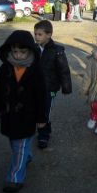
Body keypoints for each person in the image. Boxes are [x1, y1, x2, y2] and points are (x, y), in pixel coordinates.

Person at [0, 30, 48, 193]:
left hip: (27, 117)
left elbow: (42, 96)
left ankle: (14, 178)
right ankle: (26, 156)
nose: (18, 55)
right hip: (9, 117)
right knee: (15, 144)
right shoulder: (5, 68)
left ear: (29, 51)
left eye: (22, 52)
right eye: (15, 51)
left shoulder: (35, 70)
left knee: (19, 145)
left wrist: (42, 117)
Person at [34, 20, 72, 149]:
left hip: (50, 88)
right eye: (35, 34)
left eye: (40, 34)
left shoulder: (57, 51)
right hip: (35, 87)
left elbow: (64, 70)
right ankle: (34, 128)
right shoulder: (33, 49)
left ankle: (44, 135)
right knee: (35, 108)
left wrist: (66, 87)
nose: (37, 37)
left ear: (49, 35)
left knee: (45, 111)